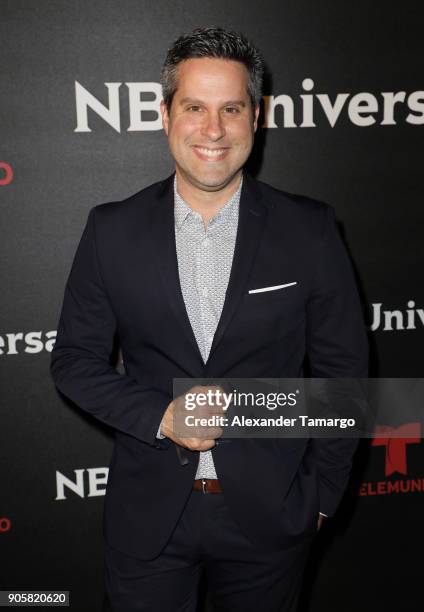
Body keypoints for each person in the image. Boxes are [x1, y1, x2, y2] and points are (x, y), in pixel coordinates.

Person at [51, 27, 368, 612]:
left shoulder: (310, 230)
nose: (214, 130)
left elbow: (344, 374)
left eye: (231, 109)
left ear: (257, 116)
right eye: (195, 107)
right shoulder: (110, 229)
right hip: (148, 518)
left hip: (272, 517)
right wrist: (162, 416)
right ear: (166, 112)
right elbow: (73, 361)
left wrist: (322, 497)